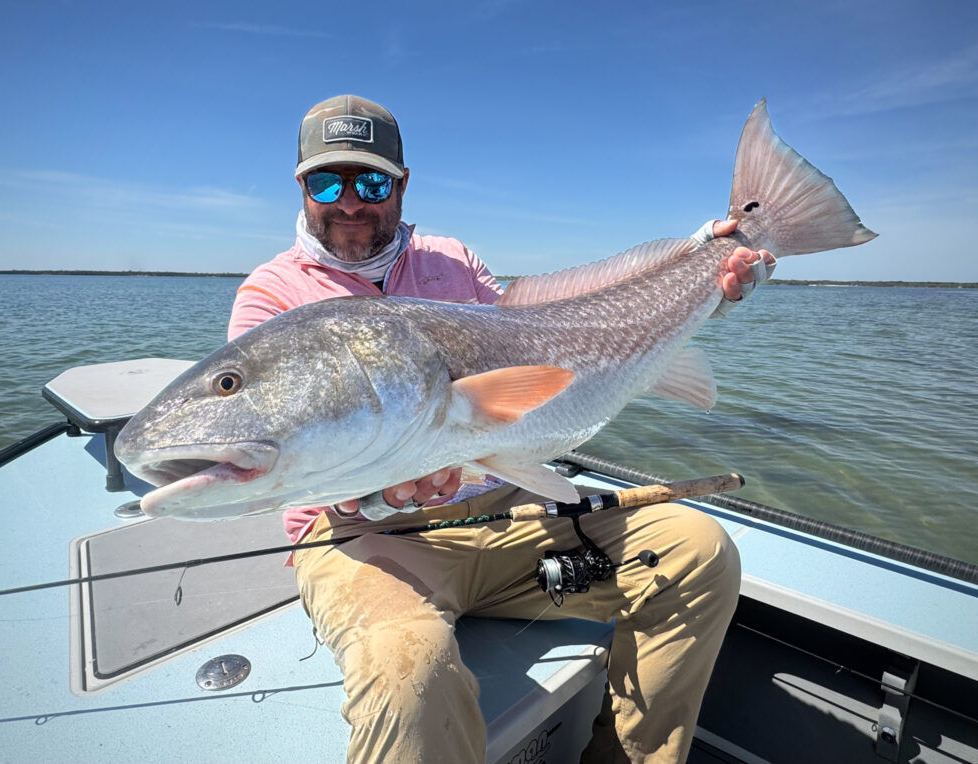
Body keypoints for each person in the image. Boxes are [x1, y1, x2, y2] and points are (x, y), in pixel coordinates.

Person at [229, 95, 775, 764]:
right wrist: (368, 492)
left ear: (400, 184)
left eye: (371, 181)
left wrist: (698, 278)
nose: (349, 202)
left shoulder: (454, 260)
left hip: (499, 508)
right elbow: (280, 453)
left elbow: (547, 345)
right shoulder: (270, 296)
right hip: (360, 540)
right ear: (302, 186)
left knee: (697, 552)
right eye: (327, 180)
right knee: (410, 678)